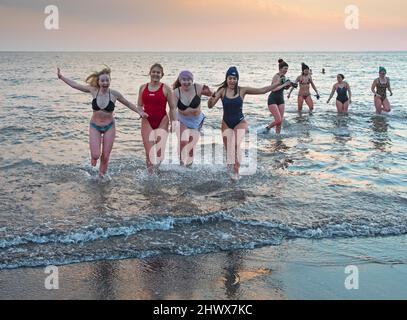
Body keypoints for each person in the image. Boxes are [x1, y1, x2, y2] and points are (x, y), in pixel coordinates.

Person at [57, 66, 147, 178]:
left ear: (110, 81)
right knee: (96, 155)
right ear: (98, 82)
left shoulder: (114, 94)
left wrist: (140, 112)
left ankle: (101, 177)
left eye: (107, 80)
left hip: (110, 126)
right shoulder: (93, 90)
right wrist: (61, 77)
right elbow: (75, 85)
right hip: (95, 126)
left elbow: (128, 104)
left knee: (105, 156)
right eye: (102, 80)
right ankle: (93, 158)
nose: (105, 83)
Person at [208, 66, 282, 180]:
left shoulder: (242, 90)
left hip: (240, 122)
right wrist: (212, 96)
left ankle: (236, 172)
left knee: (236, 144)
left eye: (234, 78)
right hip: (226, 123)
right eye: (230, 78)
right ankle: (230, 168)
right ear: (226, 78)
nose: (232, 81)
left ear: (237, 79)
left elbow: (262, 90)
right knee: (228, 150)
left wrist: (277, 84)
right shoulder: (221, 91)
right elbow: (210, 106)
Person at [137, 63, 177, 174]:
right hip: (147, 121)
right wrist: (140, 112)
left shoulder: (166, 88)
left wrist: (174, 123)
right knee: (149, 152)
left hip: (162, 121)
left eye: (158, 72)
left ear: (162, 75)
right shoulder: (143, 88)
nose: (155, 74)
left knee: (159, 153)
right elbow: (139, 105)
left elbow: (173, 108)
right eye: (153, 72)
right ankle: (150, 174)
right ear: (150, 73)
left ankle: (156, 170)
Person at [173, 70, 213, 167]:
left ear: (192, 80)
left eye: (189, 80)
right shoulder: (176, 92)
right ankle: (181, 165)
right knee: (183, 141)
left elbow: (213, 95)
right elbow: (173, 109)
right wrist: (173, 122)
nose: (186, 82)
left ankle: (189, 166)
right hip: (182, 120)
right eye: (184, 80)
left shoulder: (197, 87)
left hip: (196, 121)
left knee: (191, 146)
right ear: (180, 80)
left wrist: (210, 92)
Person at [265, 59, 294, 134]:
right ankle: (267, 128)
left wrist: (289, 85)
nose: (286, 70)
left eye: (287, 69)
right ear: (280, 68)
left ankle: (278, 138)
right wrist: (284, 84)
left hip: (281, 99)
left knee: (280, 122)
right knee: (278, 120)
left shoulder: (284, 77)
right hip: (272, 99)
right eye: (285, 68)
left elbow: (283, 88)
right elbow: (274, 89)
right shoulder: (276, 76)